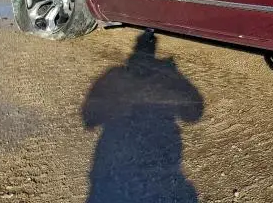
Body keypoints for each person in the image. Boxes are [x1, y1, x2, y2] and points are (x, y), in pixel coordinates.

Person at [82, 30, 204, 202]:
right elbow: (194, 113)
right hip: (156, 150)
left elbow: (90, 117)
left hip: (121, 155)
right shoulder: (165, 75)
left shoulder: (116, 74)